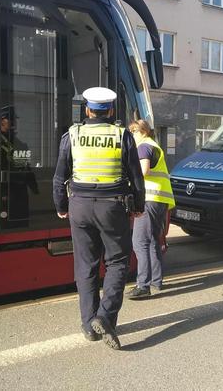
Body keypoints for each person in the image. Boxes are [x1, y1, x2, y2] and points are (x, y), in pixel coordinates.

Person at [52, 87, 145, 350]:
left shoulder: (73, 134)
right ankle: (105, 317)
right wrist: (138, 205)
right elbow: (136, 177)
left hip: (79, 206)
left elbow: (60, 176)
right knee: (117, 262)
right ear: (112, 110)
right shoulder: (121, 135)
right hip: (112, 207)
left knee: (86, 265)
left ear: (87, 109)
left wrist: (61, 205)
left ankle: (88, 325)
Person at [126, 119, 175, 299]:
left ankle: (142, 285)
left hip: (149, 199)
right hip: (159, 199)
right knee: (153, 240)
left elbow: (144, 170)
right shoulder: (154, 145)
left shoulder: (144, 147)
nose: (131, 135)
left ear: (143, 132)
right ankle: (156, 281)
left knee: (140, 242)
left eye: (133, 131)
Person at [0, 105, 38, 228]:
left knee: (20, 222)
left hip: (18, 187)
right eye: (10, 119)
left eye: (14, 120)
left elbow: (25, 167)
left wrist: (34, 187)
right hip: (5, 187)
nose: (14, 123)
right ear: (2, 120)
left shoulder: (18, 142)